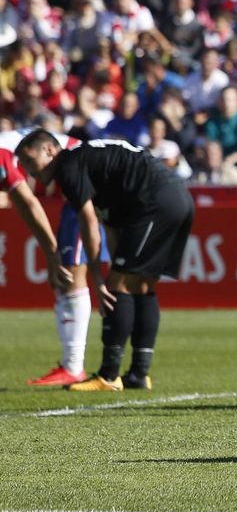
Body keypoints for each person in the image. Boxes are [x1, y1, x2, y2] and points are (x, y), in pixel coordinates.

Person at [16, 131, 197, 392]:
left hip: (155, 202)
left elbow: (88, 221)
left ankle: (108, 376)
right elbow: (111, 226)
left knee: (118, 286)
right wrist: (112, 268)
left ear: (50, 150)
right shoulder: (93, 164)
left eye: (30, 160)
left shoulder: (68, 166)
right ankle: (138, 374)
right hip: (176, 198)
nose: (28, 170)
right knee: (142, 286)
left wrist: (99, 278)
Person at [1, 130, 97, 386]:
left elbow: (30, 204)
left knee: (70, 274)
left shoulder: (2, 156)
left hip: (82, 183)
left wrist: (52, 253)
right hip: (76, 184)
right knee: (61, 278)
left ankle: (74, 367)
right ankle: (70, 364)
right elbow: (22, 204)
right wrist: (50, 251)